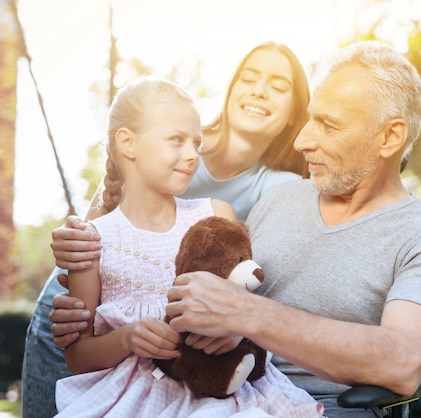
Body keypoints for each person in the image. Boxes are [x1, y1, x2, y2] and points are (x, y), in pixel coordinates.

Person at [49, 41, 421, 417]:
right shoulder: (279, 199)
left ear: (390, 137)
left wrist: (247, 316)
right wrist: (88, 269)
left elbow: (403, 362)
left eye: (328, 125)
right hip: (211, 395)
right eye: (309, 120)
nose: (302, 141)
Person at [21, 41, 312, 418]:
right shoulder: (173, 125)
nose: (259, 90)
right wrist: (76, 235)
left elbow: (246, 284)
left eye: (278, 84)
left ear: (293, 112)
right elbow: (107, 209)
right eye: (250, 77)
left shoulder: (276, 186)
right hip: (80, 311)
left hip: (193, 374)